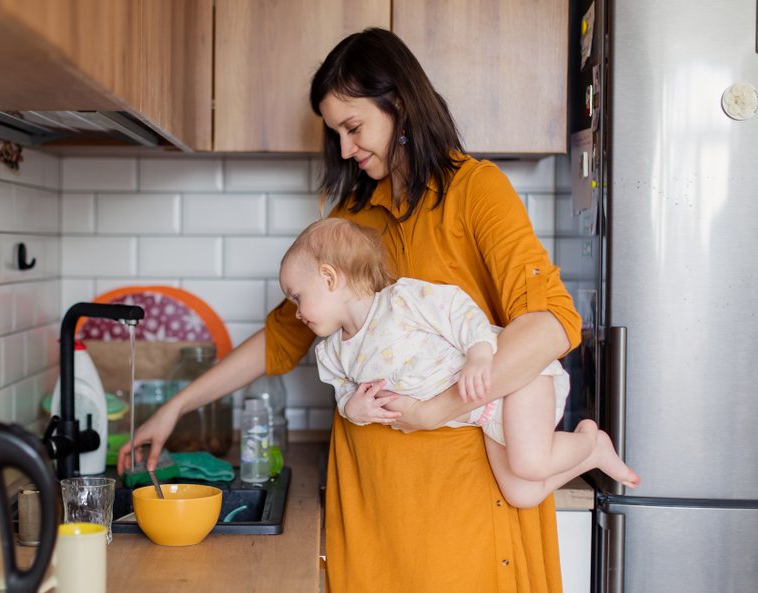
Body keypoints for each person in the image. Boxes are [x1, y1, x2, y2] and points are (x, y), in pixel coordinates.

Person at [120, 27, 585, 591]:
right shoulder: (354, 225)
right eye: (335, 132)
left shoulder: (476, 191)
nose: (343, 148)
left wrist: (437, 409)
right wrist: (178, 407)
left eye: (353, 126)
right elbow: (280, 339)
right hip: (369, 507)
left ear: (400, 105)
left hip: (464, 507)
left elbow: (551, 323)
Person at [279, 217, 639, 508]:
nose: (296, 313)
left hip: (515, 381)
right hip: (483, 413)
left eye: (297, 297)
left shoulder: (401, 300)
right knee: (523, 494)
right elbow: (343, 394)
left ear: (329, 277)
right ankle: (589, 457)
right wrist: (352, 408)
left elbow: (460, 312)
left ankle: (592, 442)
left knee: (531, 463)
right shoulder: (331, 353)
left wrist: (480, 354)